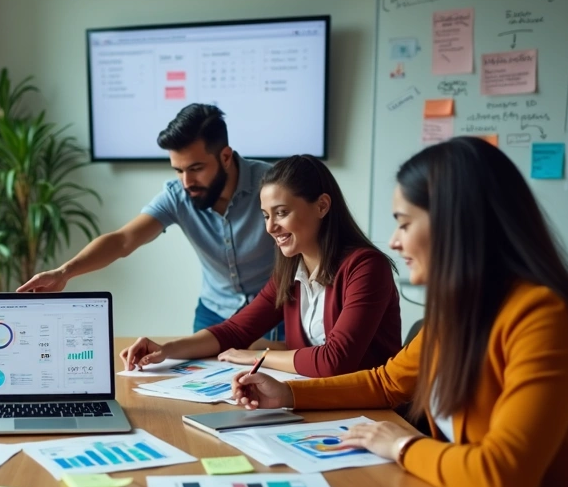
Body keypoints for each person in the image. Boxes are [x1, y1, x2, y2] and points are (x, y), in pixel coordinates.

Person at [230, 137, 568, 487]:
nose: (394, 240)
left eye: (405, 223)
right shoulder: (461, 310)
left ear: (456, 224)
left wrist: (400, 445)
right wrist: (289, 391)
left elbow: (502, 476)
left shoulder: (542, 317)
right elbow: (386, 383)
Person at [121, 155, 400, 377]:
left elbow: (334, 361)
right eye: (266, 215)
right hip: (319, 400)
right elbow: (234, 331)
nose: (270, 227)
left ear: (322, 206)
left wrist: (258, 357)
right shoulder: (290, 271)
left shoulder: (365, 268)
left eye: (281, 213)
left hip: (371, 411)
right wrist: (165, 350)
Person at [18, 103, 281, 339]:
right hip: (214, 313)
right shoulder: (178, 195)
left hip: (275, 313)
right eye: (178, 170)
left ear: (225, 157)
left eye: (196, 169)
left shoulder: (273, 185)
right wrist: (65, 272)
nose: (187, 182)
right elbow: (123, 241)